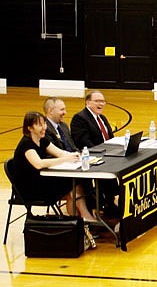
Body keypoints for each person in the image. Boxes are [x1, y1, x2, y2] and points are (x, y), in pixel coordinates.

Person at [14, 111, 97, 248]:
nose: (44, 128)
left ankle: (81, 222)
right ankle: (82, 222)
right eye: (39, 125)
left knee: (73, 182)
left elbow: (60, 153)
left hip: (43, 181)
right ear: (29, 128)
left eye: (44, 123)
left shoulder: (43, 140)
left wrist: (75, 156)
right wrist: (64, 159)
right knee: (70, 187)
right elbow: (38, 164)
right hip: (30, 188)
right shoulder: (26, 144)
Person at [70, 90, 118, 216]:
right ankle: (101, 204)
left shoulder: (102, 118)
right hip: (91, 158)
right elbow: (83, 142)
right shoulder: (80, 118)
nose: (101, 104)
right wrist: (104, 152)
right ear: (87, 102)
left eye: (103, 101)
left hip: (107, 154)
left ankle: (111, 200)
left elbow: (110, 137)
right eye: (97, 101)